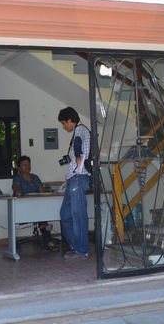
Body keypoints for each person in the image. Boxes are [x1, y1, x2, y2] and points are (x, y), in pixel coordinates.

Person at [57, 106, 91, 259]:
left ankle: (81, 250)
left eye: (64, 123)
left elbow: (81, 149)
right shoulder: (78, 131)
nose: (64, 127)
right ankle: (76, 247)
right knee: (65, 215)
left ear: (70, 120)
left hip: (78, 178)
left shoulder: (80, 130)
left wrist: (78, 160)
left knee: (78, 215)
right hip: (73, 179)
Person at [12, 155, 58, 251]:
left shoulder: (35, 177)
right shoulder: (17, 178)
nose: (27, 167)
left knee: (43, 212)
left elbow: (42, 192)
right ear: (19, 168)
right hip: (24, 209)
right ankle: (46, 233)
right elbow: (16, 188)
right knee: (42, 217)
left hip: (37, 208)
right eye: (24, 165)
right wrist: (17, 191)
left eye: (29, 164)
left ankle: (45, 229)